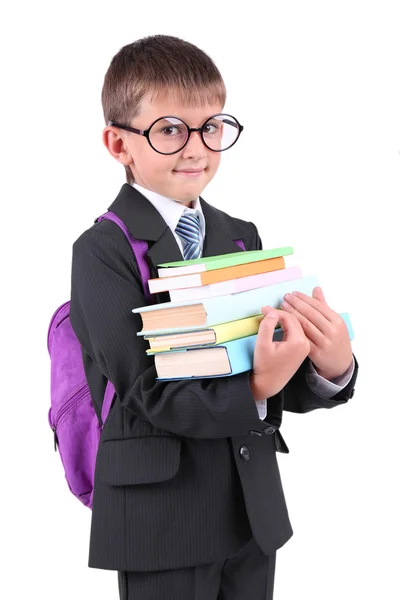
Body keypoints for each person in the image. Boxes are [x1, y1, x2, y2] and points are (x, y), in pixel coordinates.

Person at [70, 34, 358, 600]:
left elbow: (271, 370)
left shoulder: (240, 235)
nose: (197, 147)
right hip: (162, 518)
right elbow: (144, 392)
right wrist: (256, 385)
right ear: (118, 144)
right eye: (171, 129)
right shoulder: (102, 250)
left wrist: (329, 366)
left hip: (251, 509)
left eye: (212, 126)